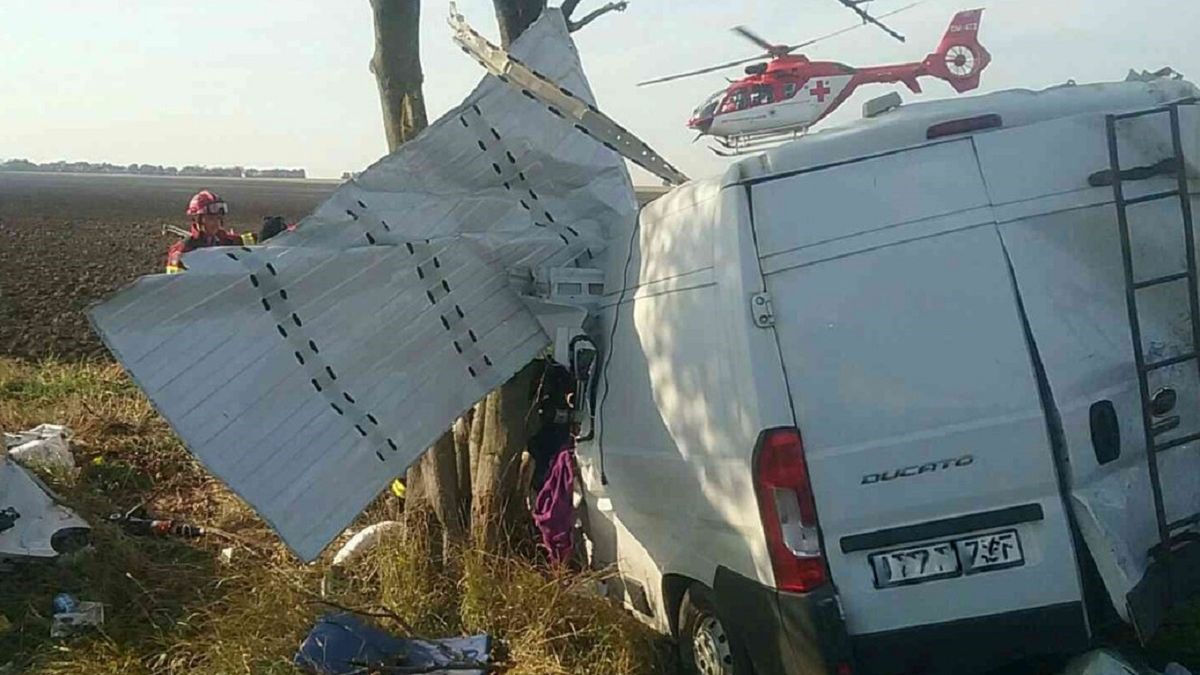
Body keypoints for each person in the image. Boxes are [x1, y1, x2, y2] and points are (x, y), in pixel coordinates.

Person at [164, 190, 257, 274]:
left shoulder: (225, 240)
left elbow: (248, 242)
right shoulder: (183, 251)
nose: (216, 223)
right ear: (196, 219)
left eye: (218, 218)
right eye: (211, 219)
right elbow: (174, 285)